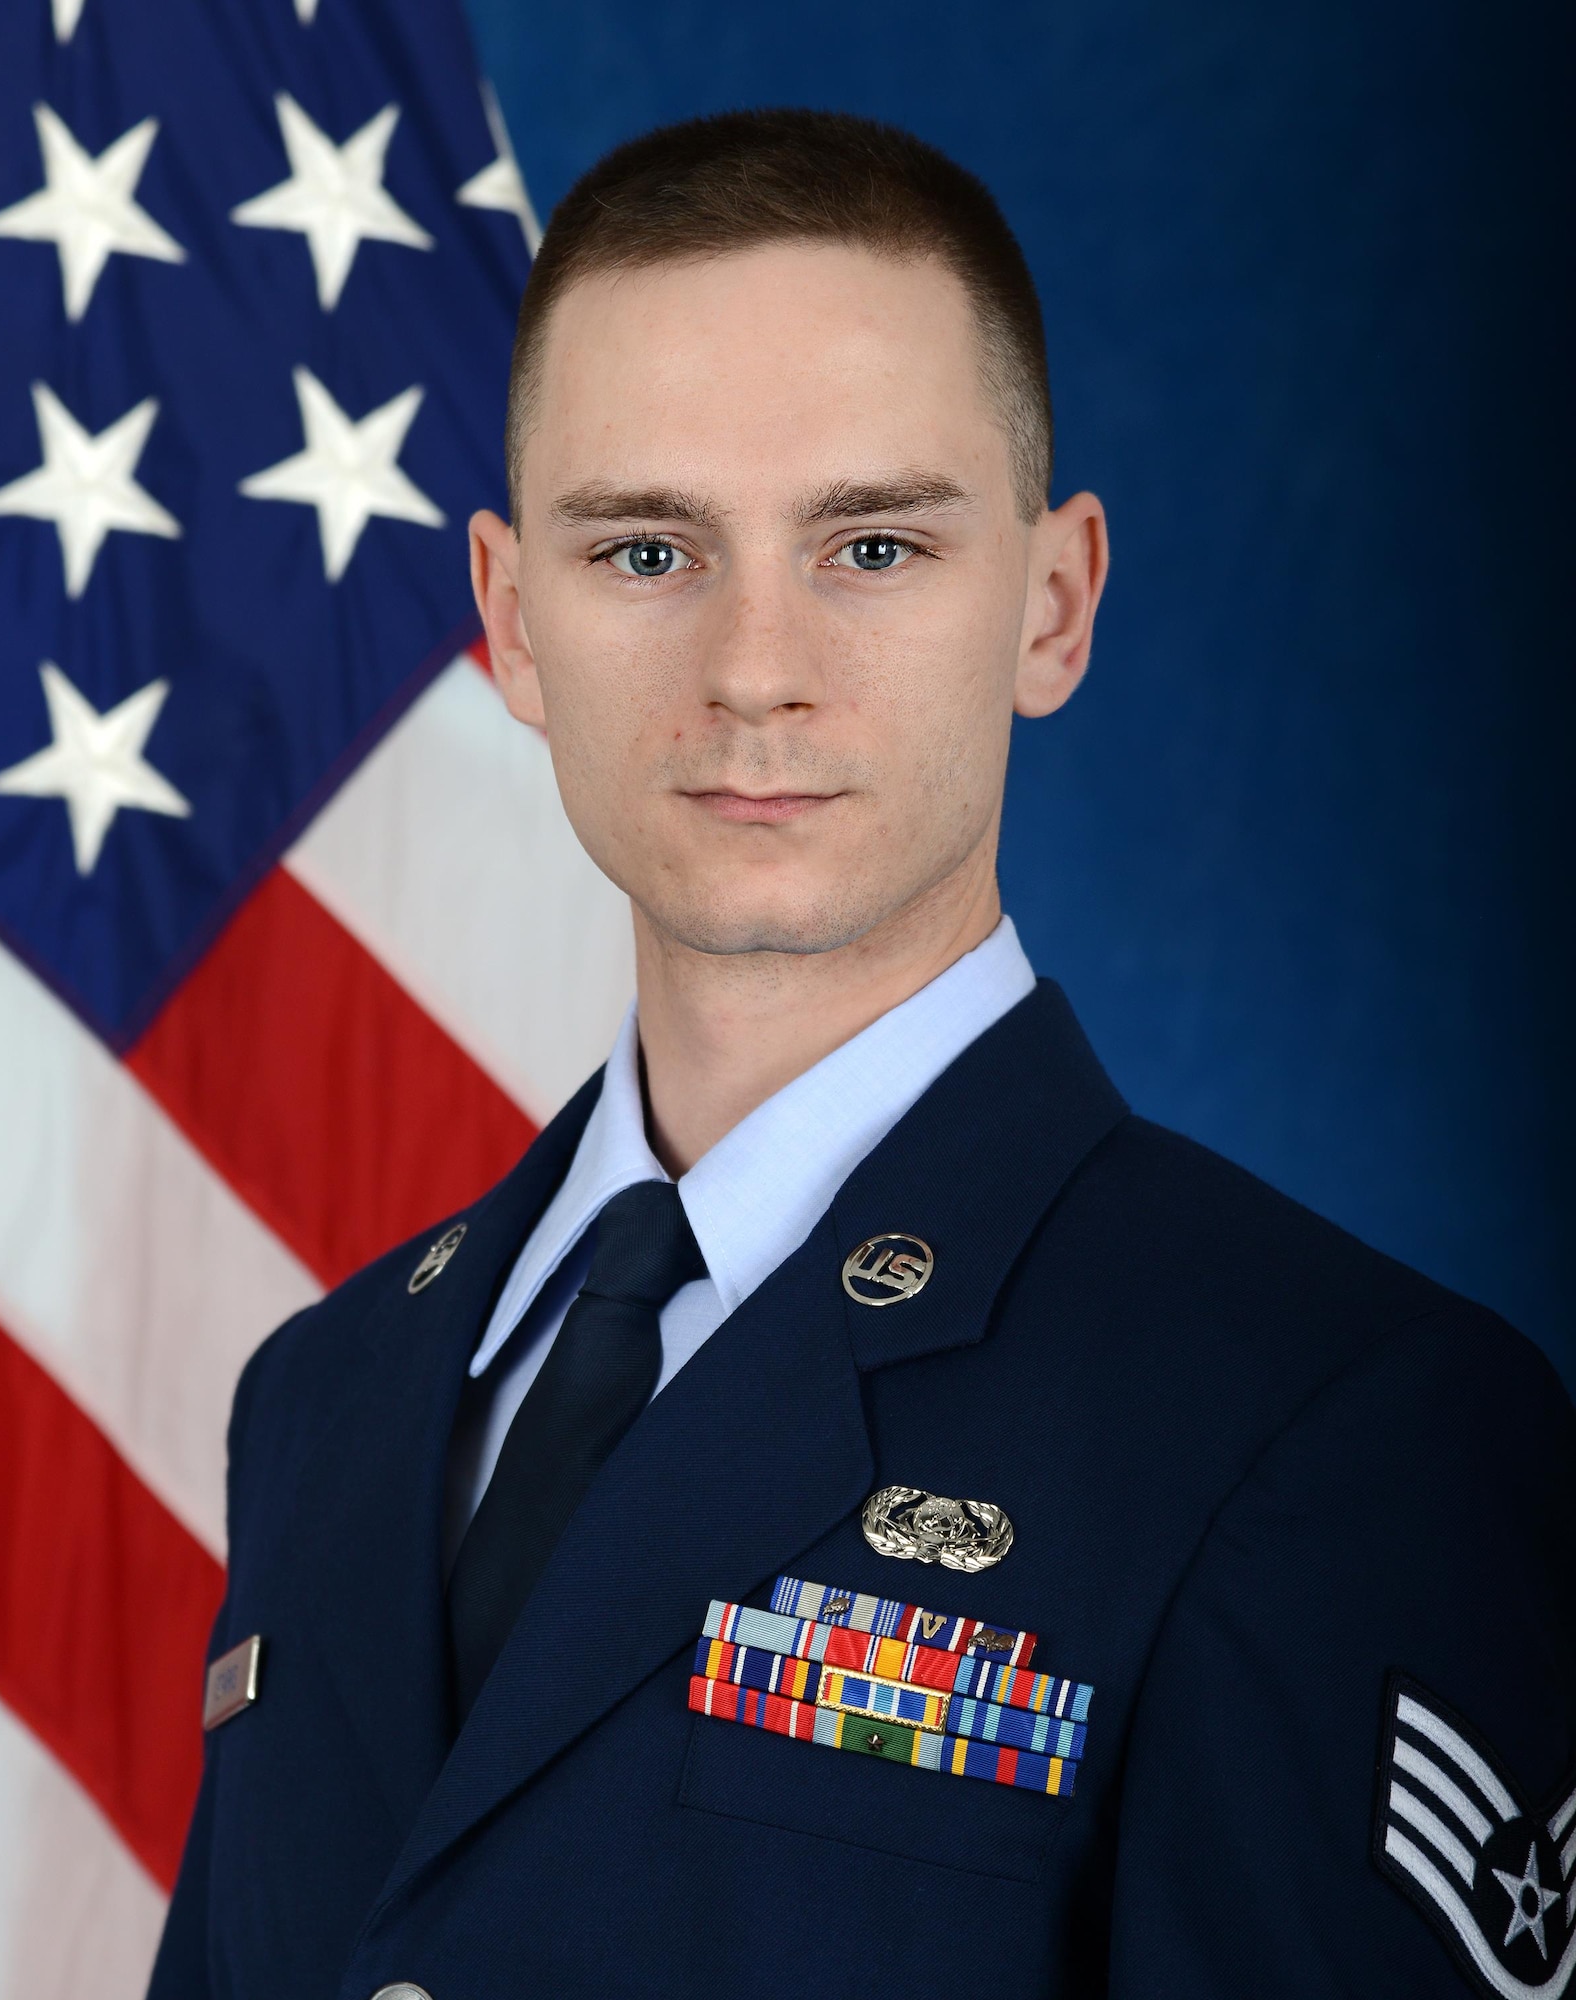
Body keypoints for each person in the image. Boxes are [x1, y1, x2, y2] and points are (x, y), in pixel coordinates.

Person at [149, 109, 1576, 2000]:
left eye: (874, 545)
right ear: (510, 622)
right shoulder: (325, 1400)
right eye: (648, 547)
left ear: (1051, 607)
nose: (755, 664)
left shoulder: (1337, 1433)